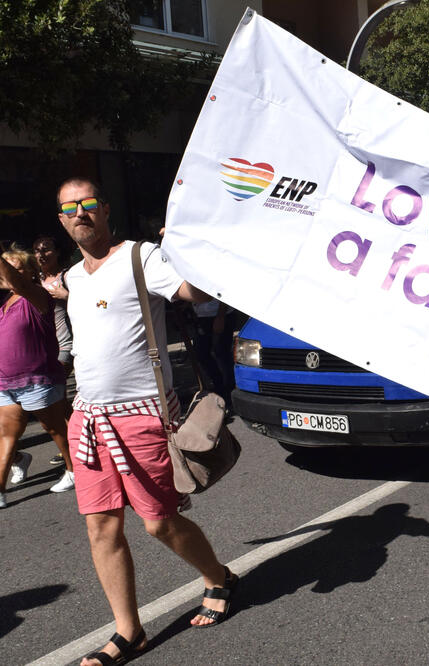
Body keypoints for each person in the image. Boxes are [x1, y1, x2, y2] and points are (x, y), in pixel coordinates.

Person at [55, 177, 236, 666]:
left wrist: (198, 249)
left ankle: (217, 576)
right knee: (101, 529)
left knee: (158, 522)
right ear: (62, 219)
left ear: (106, 209)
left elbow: (191, 291)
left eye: (89, 204)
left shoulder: (141, 256)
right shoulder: (72, 278)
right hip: (88, 419)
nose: (81, 213)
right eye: (70, 208)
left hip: (142, 416)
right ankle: (128, 631)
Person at [0, 247, 76, 506]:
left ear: (31, 272)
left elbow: (17, 282)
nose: (8, 271)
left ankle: (74, 470)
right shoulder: (4, 302)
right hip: (6, 382)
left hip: (38, 378)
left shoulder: (36, 296)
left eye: (15, 266)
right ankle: (0, 490)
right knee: (7, 434)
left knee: (55, 429)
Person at [34, 235, 75, 466]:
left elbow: (90, 302)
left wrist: (66, 296)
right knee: (60, 400)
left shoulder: (67, 277)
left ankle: (73, 445)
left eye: (46, 249)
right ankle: (78, 440)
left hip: (65, 346)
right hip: (43, 349)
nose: (41, 254)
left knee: (53, 396)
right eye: (37, 250)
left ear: (57, 252)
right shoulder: (34, 281)